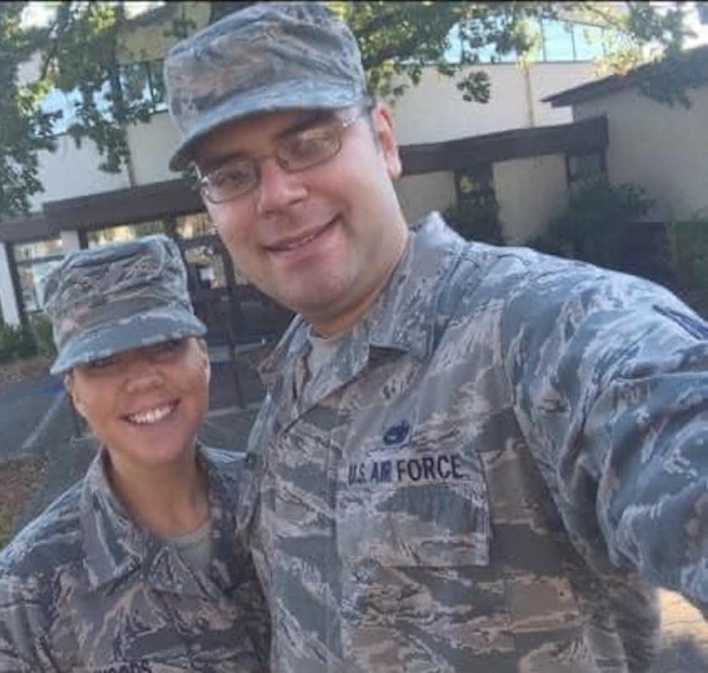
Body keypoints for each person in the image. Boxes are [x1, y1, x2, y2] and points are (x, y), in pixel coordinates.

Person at [163, 3, 708, 672]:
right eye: (232, 174)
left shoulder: (543, 328)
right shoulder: (292, 387)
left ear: (385, 140)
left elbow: (670, 422)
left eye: (308, 143)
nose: (276, 194)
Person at [0, 236, 269, 672]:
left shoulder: (279, 497)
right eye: (103, 362)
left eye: (165, 344)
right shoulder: (29, 585)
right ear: (75, 393)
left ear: (202, 356)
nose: (142, 380)